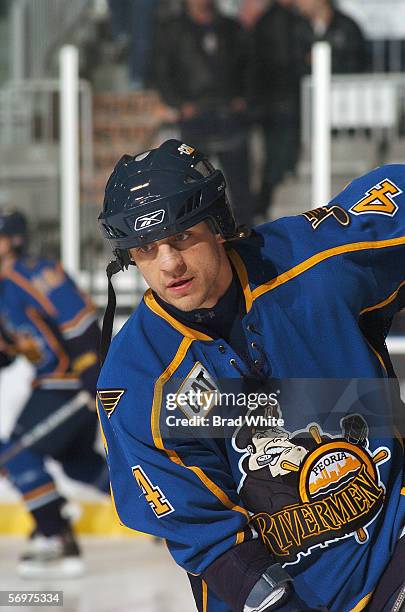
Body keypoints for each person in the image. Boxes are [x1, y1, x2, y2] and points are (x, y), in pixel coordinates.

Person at [96, 139, 405, 611]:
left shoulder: (314, 263)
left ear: (218, 224)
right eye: (145, 249)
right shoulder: (140, 378)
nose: (169, 264)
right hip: (283, 593)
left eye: (182, 236)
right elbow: (212, 543)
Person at [0, 210, 110, 578]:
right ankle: (161, 507)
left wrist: (92, 377)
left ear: (9, 241)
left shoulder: (33, 273)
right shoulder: (2, 288)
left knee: (15, 452)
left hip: (70, 383)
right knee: (77, 462)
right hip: (53, 382)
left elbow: (80, 324)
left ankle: (56, 536)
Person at [152, 0, 252, 225]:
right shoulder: (173, 30)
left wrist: (243, 99)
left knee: (239, 183)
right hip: (195, 115)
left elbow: (249, 64)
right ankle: (200, 230)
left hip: (229, 113)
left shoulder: (231, 27)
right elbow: (161, 70)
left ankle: (246, 234)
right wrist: (178, 104)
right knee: (194, 181)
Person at [248, 0, 306, 218]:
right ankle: (264, 206)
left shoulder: (272, 19)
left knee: (275, 158)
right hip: (279, 101)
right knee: (277, 159)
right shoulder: (278, 20)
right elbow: (281, 62)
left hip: (274, 101)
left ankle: (264, 205)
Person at [294, 0, 367, 74]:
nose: (299, 1)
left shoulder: (347, 27)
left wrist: (326, 60)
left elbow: (356, 63)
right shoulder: (296, 27)